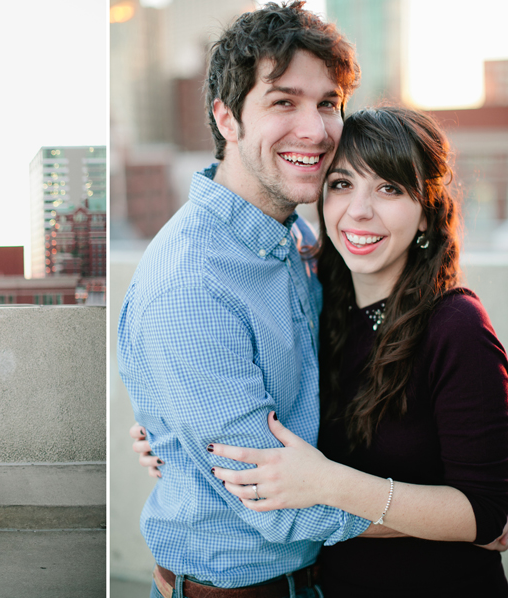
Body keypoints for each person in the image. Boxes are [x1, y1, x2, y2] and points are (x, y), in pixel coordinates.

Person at [118, 2, 372, 596]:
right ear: (226, 118)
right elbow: (277, 506)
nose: (315, 129)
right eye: (283, 101)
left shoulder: (296, 237)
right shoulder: (192, 285)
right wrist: (453, 515)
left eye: (327, 103)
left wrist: (169, 434)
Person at [200, 107, 508, 596]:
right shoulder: (314, 303)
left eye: (389, 188)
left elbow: (488, 515)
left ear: (426, 210)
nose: (359, 210)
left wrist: (328, 483)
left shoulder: (456, 328)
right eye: (342, 184)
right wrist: (174, 430)